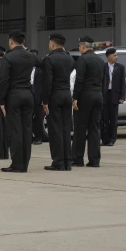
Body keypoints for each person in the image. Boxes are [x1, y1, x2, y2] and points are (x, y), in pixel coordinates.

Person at [0, 30, 38, 173]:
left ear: (11, 42)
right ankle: (25, 164)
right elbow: (43, 67)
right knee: (27, 130)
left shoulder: (8, 57)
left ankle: (16, 164)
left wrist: (1, 101)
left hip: (14, 95)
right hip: (28, 94)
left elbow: (3, 80)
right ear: (24, 42)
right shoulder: (31, 56)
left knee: (15, 131)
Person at [41, 33, 75, 171]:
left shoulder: (49, 60)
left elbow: (47, 82)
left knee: (55, 130)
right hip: (67, 94)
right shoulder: (70, 58)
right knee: (66, 129)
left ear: (53, 44)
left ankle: (58, 162)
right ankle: (67, 161)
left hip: (54, 96)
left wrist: (45, 100)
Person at [72, 36, 105, 168]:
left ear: (83, 46)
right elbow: (105, 81)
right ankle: (94, 160)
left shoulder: (83, 59)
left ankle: (77, 159)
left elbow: (79, 80)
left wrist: (75, 97)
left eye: (79, 46)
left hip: (85, 95)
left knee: (80, 128)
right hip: (98, 95)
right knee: (95, 128)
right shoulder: (100, 61)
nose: (79, 49)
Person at [101, 48, 126, 147]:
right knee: (104, 119)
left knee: (113, 119)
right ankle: (105, 139)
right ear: (108, 57)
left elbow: (122, 83)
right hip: (105, 94)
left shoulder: (120, 67)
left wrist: (122, 96)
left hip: (115, 94)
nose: (116, 57)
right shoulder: (103, 67)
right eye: (114, 55)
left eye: (117, 55)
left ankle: (112, 139)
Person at [30, 50, 47, 145]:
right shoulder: (27, 68)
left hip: (38, 96)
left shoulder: (41, 70)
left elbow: (44, 84)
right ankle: (31, 136)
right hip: (29, 96)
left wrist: (43, 98)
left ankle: (39, 137)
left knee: (39, 118)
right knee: (29, 118)